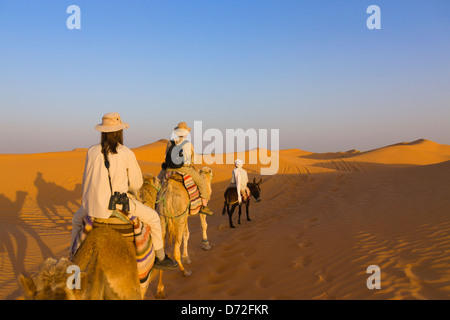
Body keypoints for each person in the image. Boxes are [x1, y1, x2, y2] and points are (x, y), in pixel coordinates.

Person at [71, 112, 178, 270]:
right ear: (119, 132)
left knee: (75, 221)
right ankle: (160, 257)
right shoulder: (126, 152)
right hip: (119, 205)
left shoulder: (91, 151)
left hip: (92, 208)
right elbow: (136, 183)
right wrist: (131, 191)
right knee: (154, 218)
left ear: (103, 132)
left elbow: (86, 179)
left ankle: (73, 259)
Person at [158, 122, 214, 216]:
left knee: (157, 181)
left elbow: (166, 156)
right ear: (186, 133)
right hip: (185, 169)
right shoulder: (188, 144)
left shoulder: (170, 142)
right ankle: (204, 206)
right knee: (201, 182)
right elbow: (192, 160)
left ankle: (152, 202)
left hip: (169, 169)